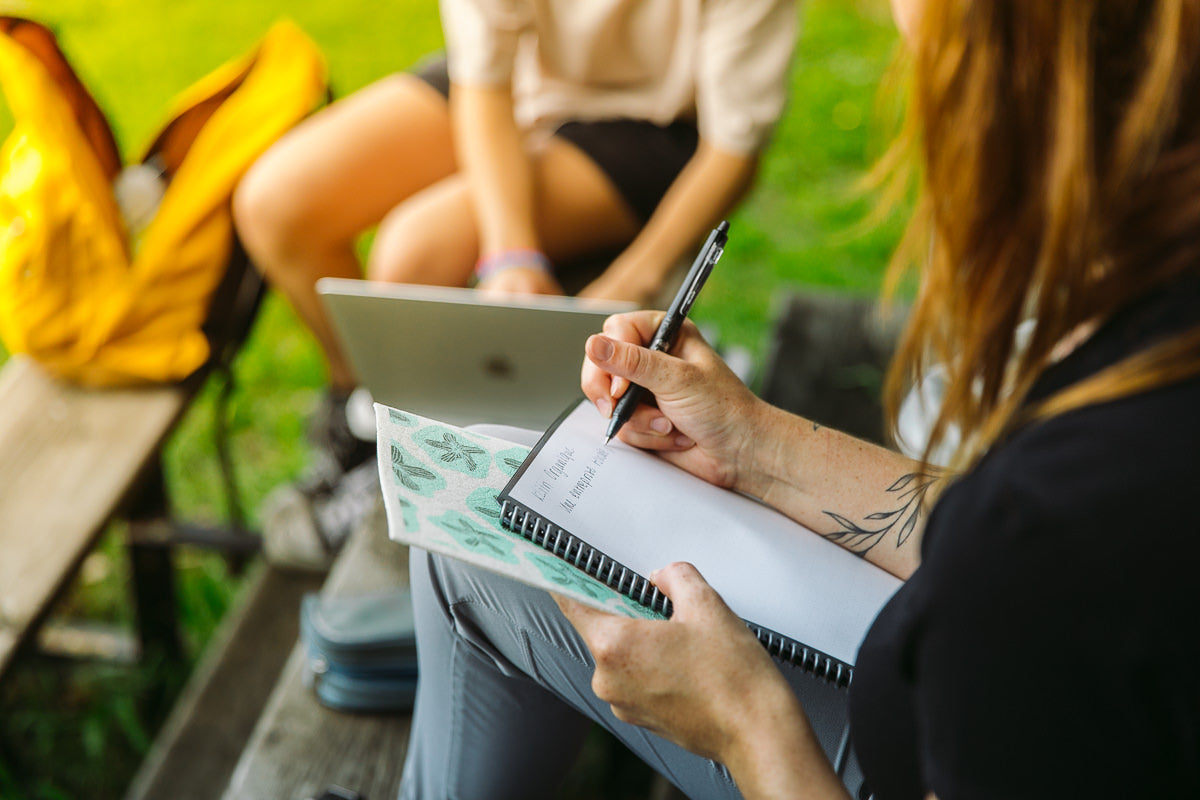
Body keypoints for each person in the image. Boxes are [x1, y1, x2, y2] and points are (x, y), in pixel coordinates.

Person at [397, 0, 1200, 797]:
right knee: (488, 493)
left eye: (919, 56)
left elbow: (1027, 550)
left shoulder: (1053, 528)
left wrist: (744, 724)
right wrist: (753, 441)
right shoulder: (1142, 367)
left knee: (468, 536)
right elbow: (995, 532)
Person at [232, 0, 798, 553]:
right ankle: (365, 417)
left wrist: (634, 279)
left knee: (413, 254)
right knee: (276, 202)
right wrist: (512, 255)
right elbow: (482, 75)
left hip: (651, 118)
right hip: (521, 77)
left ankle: (400, 468)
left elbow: (734, 144)